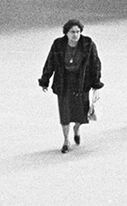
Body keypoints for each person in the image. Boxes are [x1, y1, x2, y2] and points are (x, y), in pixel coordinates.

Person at [38, 18, 104, 153]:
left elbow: (95, 63)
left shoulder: (88, 44)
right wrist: (45, 80)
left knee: (81, 113)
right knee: (65, 113)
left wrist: (96, 82)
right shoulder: (58, 44)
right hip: (64, 83)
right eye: (72, 32)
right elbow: (50, 62)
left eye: (78, 32)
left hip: (81, 83)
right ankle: (66, 140)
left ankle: (77, 128)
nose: (76, 35)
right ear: (66, 33)